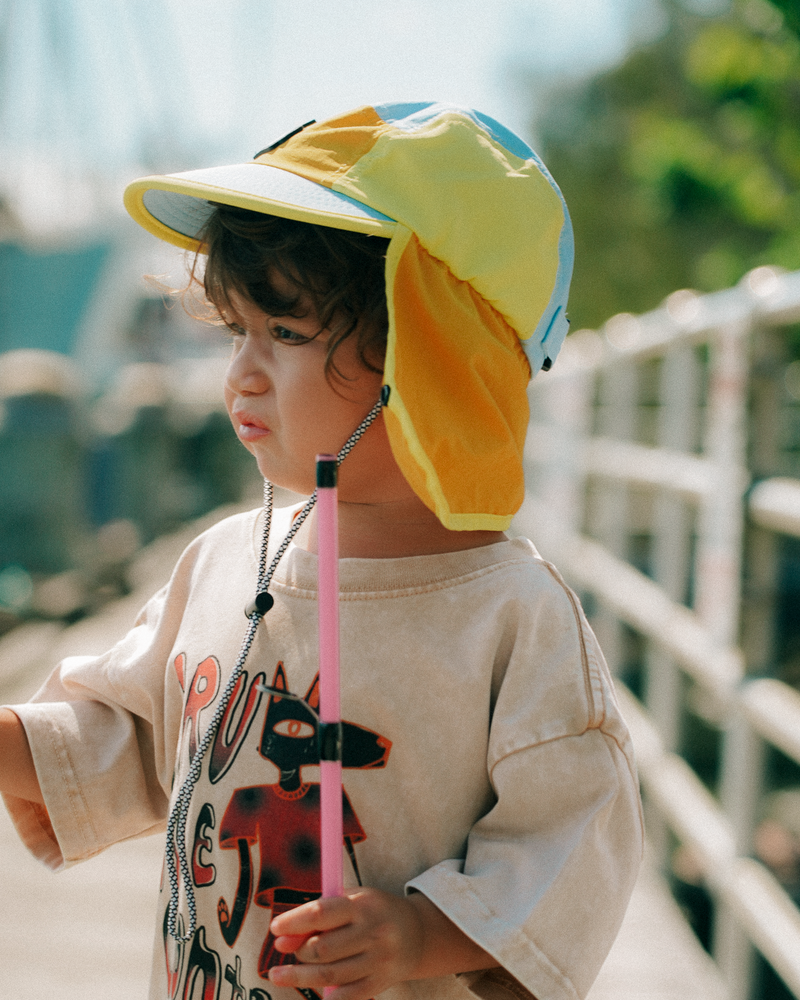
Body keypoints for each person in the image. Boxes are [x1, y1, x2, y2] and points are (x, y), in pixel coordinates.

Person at [0, 102, 643, 1000]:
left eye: (286, 333)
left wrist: (418, 934)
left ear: (434, 362)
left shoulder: (513, 618)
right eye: (237, 331)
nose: (242, 373)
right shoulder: (227, 558)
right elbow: (140, 731)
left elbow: (569, 845)